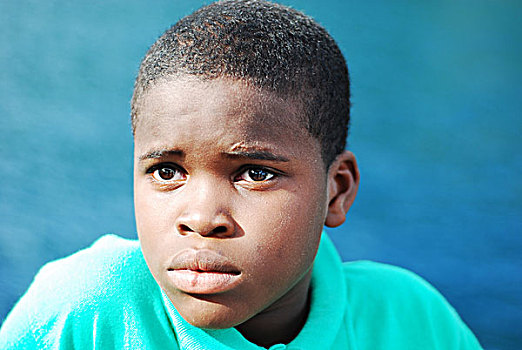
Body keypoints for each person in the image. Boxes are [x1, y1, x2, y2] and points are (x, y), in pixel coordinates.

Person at [0, 1, 482, 349]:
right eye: (167, 170)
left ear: (337, 191)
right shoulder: (84, 313)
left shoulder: (410, 321)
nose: (202, 219)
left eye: (255, 172)